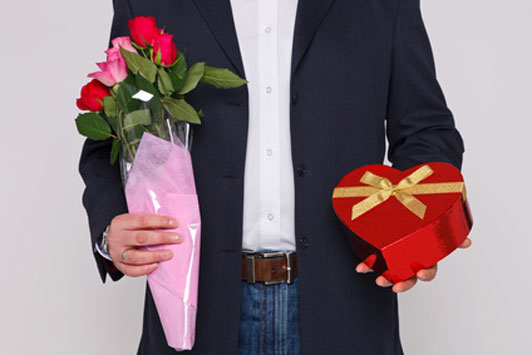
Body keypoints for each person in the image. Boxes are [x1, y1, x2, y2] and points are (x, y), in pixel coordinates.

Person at [79, 0, 471, 354]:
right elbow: (109, 139)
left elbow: (425, 132)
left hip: (344, 307)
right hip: (197, 308)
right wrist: (108, 233)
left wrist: (419, 230)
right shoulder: (149, 3)